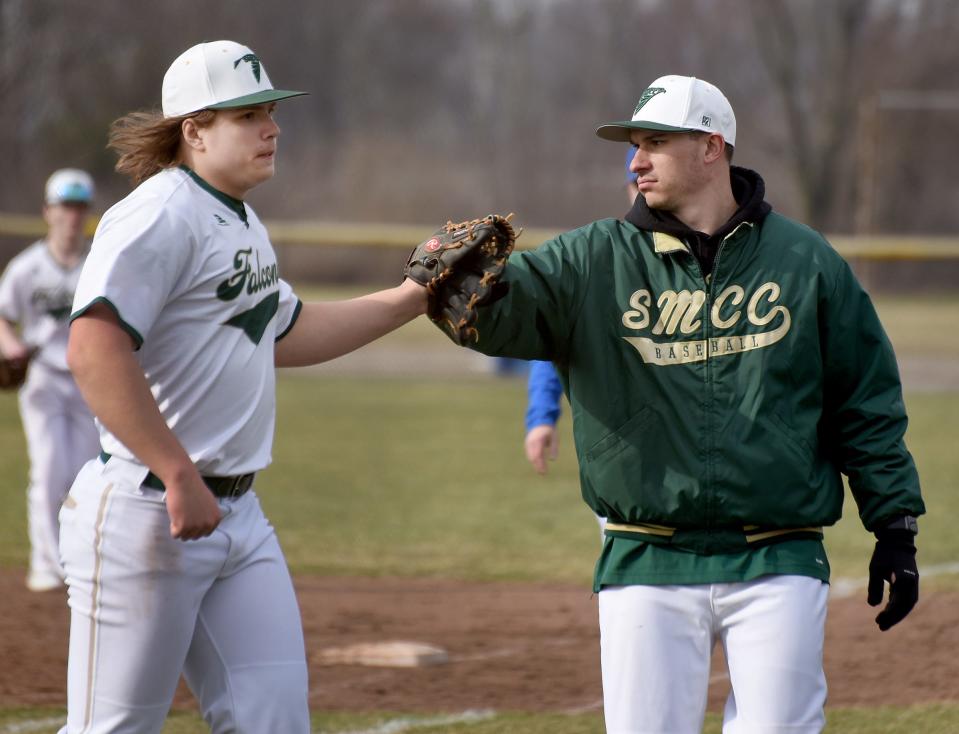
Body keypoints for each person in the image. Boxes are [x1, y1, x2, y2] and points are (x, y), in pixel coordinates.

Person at [434, 75, 925, 733]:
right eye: (635, 144)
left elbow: (863, 399)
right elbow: (505, 314)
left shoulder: (803, 261)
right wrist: (461, 287)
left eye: (655, 143)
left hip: (775, 556)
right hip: (645, 556)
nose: (635, 160)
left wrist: (893, 524)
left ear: (709, 147)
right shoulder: (593, 258)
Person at [60, 40, 425, 734]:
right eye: (248, 114)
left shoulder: (241, 220)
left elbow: (284, 332)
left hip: (239, 517)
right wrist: (175, 472)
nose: (272, 127)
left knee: (274, 720)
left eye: (269, 112)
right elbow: (93, 346)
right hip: (148, 509)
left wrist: (412, 299)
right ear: (193, 131)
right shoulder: (161, 212)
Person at [0, 169, 100, 592]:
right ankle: (45, 564)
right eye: (64, 207)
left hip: (91, 379)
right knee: (48, 469)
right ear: (47, 211)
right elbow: (3, 317)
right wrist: (12, 348)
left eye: (78, 208)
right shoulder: (28, 267)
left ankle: (82, 560)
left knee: (86, 474)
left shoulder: (100, 261)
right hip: (43, 380)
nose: (71, 217)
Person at [524, 146, 640, 479]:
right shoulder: (602, 260)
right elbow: (556, 339)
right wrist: (541, 417)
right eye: (636, 183)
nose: (643, 192)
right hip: (625, 450)